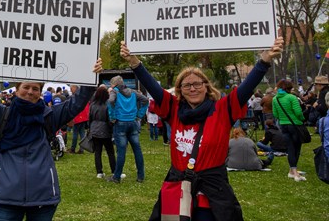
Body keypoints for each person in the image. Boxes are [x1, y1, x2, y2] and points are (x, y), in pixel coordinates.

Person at [120, 37, 283, 221]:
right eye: (187, 85)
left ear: (206, 87)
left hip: (211, 192)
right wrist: (134, 62)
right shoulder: (174, 109)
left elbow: (246, 88)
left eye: (197, 84)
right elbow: (152, 87)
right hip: (178, 188)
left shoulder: (222, 110)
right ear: (180, 90)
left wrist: (264, 60)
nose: (193, 88)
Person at [0, 47, 100, 221]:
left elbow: (76, 104)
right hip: (7, 196)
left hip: (43, 196)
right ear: (16, 90)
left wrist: (91, 75)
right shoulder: (2, 114)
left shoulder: (49, 117)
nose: (30, 91)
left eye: (35, 88)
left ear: (40, 93)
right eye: (26, 87)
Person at [107, 75, 148, 183]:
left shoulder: (114, 92)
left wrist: (112, 117)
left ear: (114, 84)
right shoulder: (133, 92)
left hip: (120, 122)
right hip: (133, 122)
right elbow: (145, 100)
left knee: (121, 152)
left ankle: (116, 177)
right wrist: (140, 115)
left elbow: (110, 101)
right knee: (137, 150)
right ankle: (141, 176)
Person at [272, 78, 307, 181]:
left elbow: (275, 114)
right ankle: (294, 171)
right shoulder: (292, 97)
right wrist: (302, 119)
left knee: (290, 147)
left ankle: (292, 170)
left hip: (283, 124)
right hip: (295, 124)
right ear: (289, 88)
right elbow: (298, 112)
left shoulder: (275, 99)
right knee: (296, 147)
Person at [89, 84, 116, 178]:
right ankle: (114, 170)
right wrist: (111, 128)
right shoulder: (107, 105)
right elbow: (109, 119)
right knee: (110, 152)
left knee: (97, 152)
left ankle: (99, 172)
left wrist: (90, 129)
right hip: (105, 130)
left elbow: (90, 118)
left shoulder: (92, 105)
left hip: (95, 129)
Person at [69, 84, 89, 154]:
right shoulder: (82, 95)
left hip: (78, 116)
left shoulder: (76, 96)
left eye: (71, 88)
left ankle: (73, 149)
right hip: (83, 116)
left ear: (75, 88)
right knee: (82, 133)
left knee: (75, 133)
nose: (70, 90)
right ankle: (81, 149)